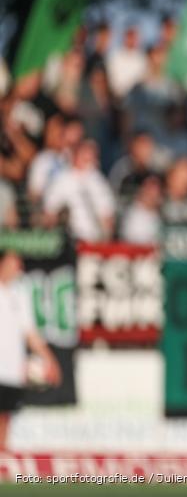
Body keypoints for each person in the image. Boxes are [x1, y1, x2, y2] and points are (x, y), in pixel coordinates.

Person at [0, 249, 61, 450]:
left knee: (6, 415)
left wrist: (49, 360)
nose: (17, 268)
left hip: (11, 370)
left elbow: (30, 333)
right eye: (12, 262)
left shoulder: (19, 294)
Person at [43, 140, 116, 242]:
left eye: (91, 155)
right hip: (70, 241)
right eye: (84, 153)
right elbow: (49, 213)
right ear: (75, 154)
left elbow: (108, 217)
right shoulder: (62, 179)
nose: (88, 158)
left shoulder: (99, 182)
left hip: (95, 241)